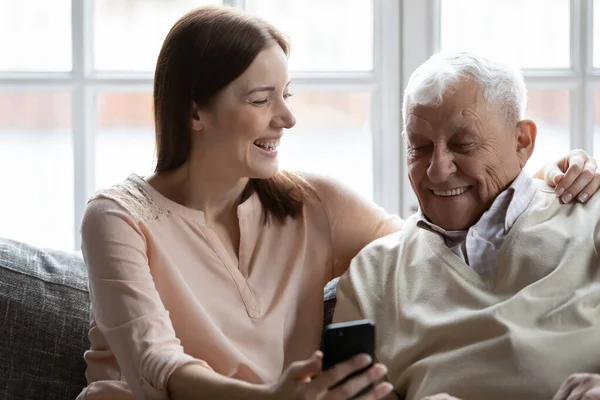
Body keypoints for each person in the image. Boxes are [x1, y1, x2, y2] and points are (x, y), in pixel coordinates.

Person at [77, 6, 599, 400]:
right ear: (196, 113)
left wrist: (547, 180)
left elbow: (449, 234)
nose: (287, 117)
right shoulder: (118, 217)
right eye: (261, 100)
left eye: (288, 94)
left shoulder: (312, 205)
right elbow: (155, 364)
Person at [333, 51, 600, 400]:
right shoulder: (373, 274)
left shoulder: (588, 213)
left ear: (523, 142)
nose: (437, 170)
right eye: (420, 147)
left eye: (463, 144)